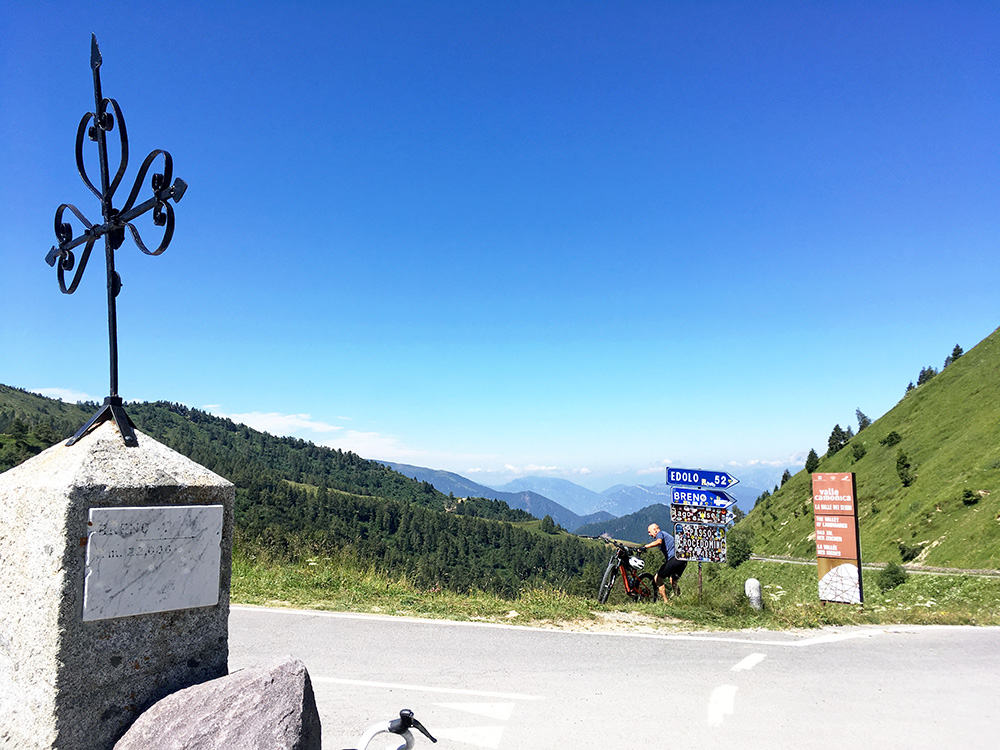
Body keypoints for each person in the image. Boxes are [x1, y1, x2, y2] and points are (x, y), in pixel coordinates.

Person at [642, 523, 687, 603]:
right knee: (673, 580)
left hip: (674, 559)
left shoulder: (660, 533)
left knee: (658, 578)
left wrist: (645, 546)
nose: (649, 534)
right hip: (682, 560)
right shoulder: (665, 534)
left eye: (650, 532)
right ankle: (680, 600)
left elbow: (659, 542)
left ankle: (666, 602)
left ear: (655, 530)